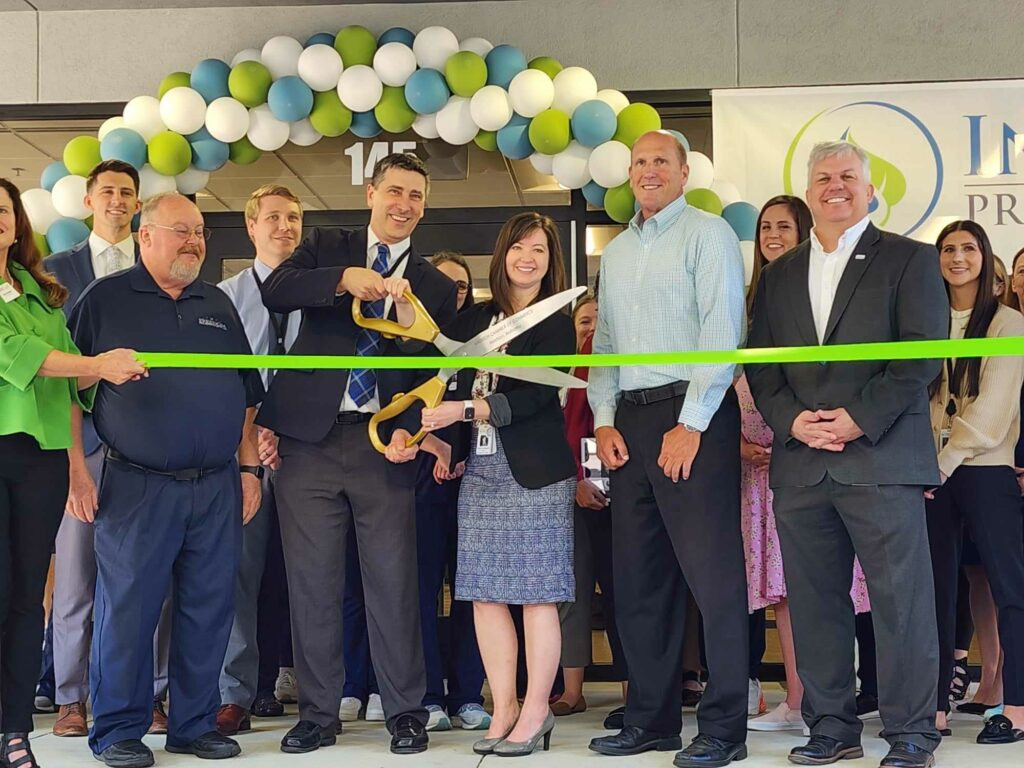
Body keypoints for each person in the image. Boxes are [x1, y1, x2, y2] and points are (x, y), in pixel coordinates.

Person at [747, 140, 948, 768]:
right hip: (803, 463)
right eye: (823, 178)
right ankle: (831, 729)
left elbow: (920, 357)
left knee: (901, 602)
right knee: (813, 605)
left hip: (881, 458)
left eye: (848, 177)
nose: (836, 186)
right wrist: (792, 422)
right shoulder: (778, 276)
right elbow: (761, 366)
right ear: (809, 193)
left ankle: (912, 731)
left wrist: (856, 419)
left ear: (870, 189)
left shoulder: (910, 260)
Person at [258, 152, 457, 756]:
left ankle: (405, 711)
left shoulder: (436, 286)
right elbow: (275, 292)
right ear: (371, 192)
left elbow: (435, 373)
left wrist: (416, 432)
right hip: (309, 440)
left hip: (386, 445)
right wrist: (343, 279)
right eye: (394, 191)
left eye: (416, 196)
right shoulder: (325, 246)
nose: (404, 205)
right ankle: (318, 714)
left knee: (395, 582)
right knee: (312, 582)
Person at [69, 192, 264, 768]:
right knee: (127, 609)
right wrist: (78, 471)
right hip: (135, 484)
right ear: (144, 235)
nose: (195, 242)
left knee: (209, 608)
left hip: (216, 484)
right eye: (182, 231)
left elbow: (246, 397)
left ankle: (193, 724)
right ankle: (118, 730)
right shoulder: (104, 300)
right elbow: (69, 395)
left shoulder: (218, 305)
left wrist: (250, 469)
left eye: (200, 231)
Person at [587, 130, 750, 768]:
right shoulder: (620, 252)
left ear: (684, 173)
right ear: (629, 176)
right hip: (630, 420)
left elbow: (722, 329)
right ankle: (651, 721)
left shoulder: (707, 234)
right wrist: (604, 421)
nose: (649, 170)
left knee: (713, 579)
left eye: (662, 161)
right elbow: (606, 348)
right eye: (640, 162)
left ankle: (724, 730)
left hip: (694, 418)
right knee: (639, 581)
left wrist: (693, 422)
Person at [419, 211, 577, 757]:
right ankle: (503, 706)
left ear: (550, 262)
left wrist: (469, 409)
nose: (528, 258)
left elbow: (536, 398)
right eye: (519, 247)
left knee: (538, 597)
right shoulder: (475, 319)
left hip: (535, 474)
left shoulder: (556, 318)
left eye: (540, 250)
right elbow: (444, 376)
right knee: (485, 597)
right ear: (502, 253)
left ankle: (537, 711)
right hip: (481, 473)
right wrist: (442, 434)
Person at [0, 177, 144, 768]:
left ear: (18, 222)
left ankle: (13, 732)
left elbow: (65, 384)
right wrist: (96, 363)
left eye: (4, 211)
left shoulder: (37, 290)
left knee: (26, 598)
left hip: (41, 461)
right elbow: (18, 358)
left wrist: (111, 369)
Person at [45, 159, 173, 739]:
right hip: (79, 438)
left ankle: (145, 694)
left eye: (128, 193)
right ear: (89, 202)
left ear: (138, 205)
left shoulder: (160, 268)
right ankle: (71, 697)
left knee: (145, 578)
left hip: (146, 441)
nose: (118, 200)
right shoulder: (54, 272)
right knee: (76, 578)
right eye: (108, 192)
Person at [925, 220, 1024, 745]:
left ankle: (1017, 708)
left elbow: (991, 413)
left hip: (984, 469)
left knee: (1011, 589)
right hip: (933, 472)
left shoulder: (1007, 323)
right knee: (938, 592)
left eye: (967, 248)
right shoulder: (927, 320)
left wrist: (941, 462)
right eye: (947, 249)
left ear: (984, 257)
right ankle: (936, 704)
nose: (957, 257)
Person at [215, 184, 304, 736]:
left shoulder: (320, 296)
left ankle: (319, 690)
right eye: (273, 217)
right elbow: (222, 382)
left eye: (293, 217)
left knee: (310, 577)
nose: (284, 227)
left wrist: (282, 427)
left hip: (304, 451)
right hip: (241, 454)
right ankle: (234, 695)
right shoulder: (221, 298)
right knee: (238, 576)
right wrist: (254, 434)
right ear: (251, 226)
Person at [415, 251, 490, 732]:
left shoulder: (479, 341)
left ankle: (467, 694)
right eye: (444, 284)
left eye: (461, 286)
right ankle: (425, 696)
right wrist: (431, 444)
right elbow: (393, 401)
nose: (453, 292)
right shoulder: (410, 341)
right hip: (420, 480)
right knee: (420, 591)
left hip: (476, 482)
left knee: (472, 592)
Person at [553, 294, 626, 720]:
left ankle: (633, 687)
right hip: (573, 493)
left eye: (600, 319)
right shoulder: (563, 369)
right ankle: (571, 689)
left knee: (625, 592)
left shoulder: (626, 360)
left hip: (627, 493)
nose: (591, 327)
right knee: (573, 593)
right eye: (584, 320)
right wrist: (578, 481)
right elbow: (561, 431)